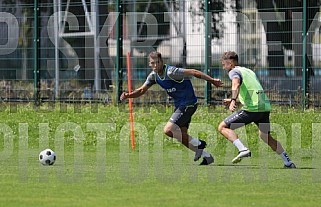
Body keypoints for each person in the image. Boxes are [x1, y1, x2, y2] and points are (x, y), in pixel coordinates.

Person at [120, 51, 223, 165]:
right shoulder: (153, 76)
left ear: (162, 62)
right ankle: (207, 156)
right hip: (180, 105)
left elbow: (194, 72)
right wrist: (128, 95)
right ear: (150, 64)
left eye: (157, 63)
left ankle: (199, 143)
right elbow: (141, 90)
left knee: (168, 130)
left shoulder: (172, 72)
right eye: (152, 63)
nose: (155, 65)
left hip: (188, 104)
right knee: (181, 135)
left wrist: (212, 81)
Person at [218, 51, 296, 168]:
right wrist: (234, 99)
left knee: (222, 127)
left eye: (224, 64)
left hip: (252, 109)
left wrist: (233, 100)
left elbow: (236, 85)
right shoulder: (248, 71)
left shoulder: (234, 71)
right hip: (264, 108)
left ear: (230, 63)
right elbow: (252, 92)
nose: (224, 68)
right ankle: (288, 162)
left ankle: (243, 149)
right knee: (265, 136)